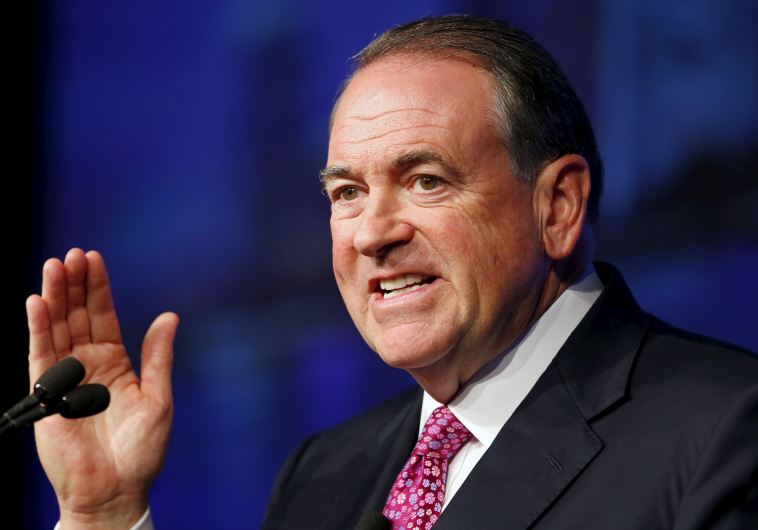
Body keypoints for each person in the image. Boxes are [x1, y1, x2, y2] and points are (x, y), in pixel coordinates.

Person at [28, 15, 756, 530]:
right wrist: (107, 517)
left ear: (558, 206)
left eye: (427, 180)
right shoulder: (323, 472)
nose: (373, 234)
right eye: (346, 193)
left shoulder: (727, 431)